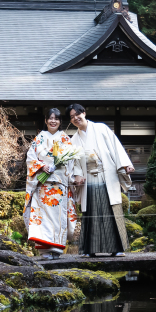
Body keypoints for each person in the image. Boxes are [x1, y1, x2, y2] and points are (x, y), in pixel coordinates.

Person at [68, 104, 134, 257]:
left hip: (106, 174)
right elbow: (74, 162)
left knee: (111, 209)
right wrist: (77, 175)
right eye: (72, 117)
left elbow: (115, 147)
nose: (75, 118)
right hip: (88, 178)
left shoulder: (101, 128)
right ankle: (89, 249)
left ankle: (117, 248)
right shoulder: (74, 139)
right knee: (91, 212)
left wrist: (125, 164)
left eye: (77, 114)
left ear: (84, 113)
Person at [23, 108, 80, 259]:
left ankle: (56, 249)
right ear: (46, 120)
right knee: (42, 219)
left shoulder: (65, 138)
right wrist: (42, 166)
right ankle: (44, 251)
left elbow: (71, 162)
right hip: (42, 185)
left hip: (60, 185)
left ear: (60, 121)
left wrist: (68, 174)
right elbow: (30, 158)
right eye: (50, 118)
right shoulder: (39, 138)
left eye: (56, 118)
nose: (53, 121)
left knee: (58, 218)